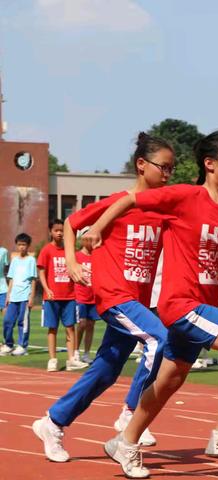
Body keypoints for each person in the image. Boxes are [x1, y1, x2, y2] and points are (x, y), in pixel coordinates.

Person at [87, 129, 218, 479]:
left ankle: (125, 442)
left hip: (204, 306)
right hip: (179, 304)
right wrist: (98, 226)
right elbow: (129, 199)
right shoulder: (185, 197)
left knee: (170, 380)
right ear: (210, 164)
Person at [32, 132, 174, 462]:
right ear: (142, 165)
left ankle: (52, 422)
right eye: (162, 167)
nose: (167, 175)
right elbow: (70, 222)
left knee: (106, 370)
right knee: (159, 340)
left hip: (136, 302)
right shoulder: (116, 202)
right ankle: (131, 412)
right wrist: (70, 262)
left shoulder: (164, 208)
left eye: (171, 169)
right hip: (114, 296)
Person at [37, 219, 89, 372]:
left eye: (61, 230)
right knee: (52, 328)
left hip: (69, 296)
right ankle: (52, 359)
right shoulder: (46, 250)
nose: (59, 233)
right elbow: (41, 272)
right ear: (50, 232)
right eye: (56, 230)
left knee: (70, 328)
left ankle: (71, 359)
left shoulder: (69, 250)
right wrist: (47, 289)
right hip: (52, 297)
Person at [0, 233, 37, 356]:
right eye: (19, 244)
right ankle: (9, 344)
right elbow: (11, 279)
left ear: (28, 246)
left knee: (23, 322)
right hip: (13, 297)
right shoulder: (14, 261)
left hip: (25, 297)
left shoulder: (31, 260)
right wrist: (8, 296)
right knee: (7, 321)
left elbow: (33, 280)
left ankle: (22, 346)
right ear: (16, 245)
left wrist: (31, 297)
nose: (22, 247)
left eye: (24, 245)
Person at [73, 232, 101, 365]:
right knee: (81, 323)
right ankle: (75, 351)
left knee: (91, 325)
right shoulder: (77, 256)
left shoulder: (97, 256)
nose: (91, 242)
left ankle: (86, 353)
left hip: (94, 297)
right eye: (88, 240)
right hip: (80, 296)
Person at [0, 244, 8, 316]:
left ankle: (6, 327)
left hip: (2, 287)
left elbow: (6, 266)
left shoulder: (4, 251)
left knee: (5, 308)